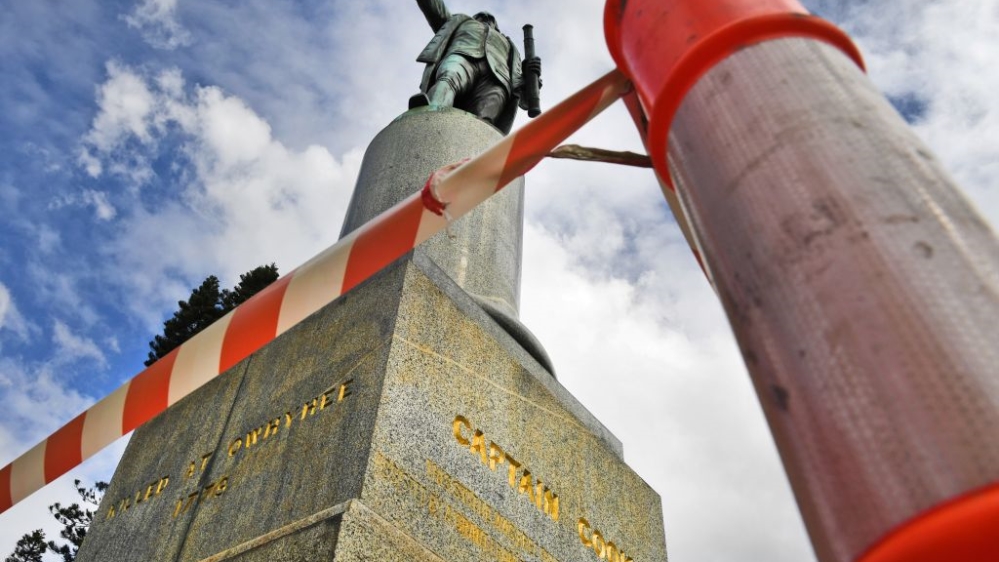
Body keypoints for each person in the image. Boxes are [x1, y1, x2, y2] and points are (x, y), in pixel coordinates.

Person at [410, 0, 542, 134]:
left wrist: (529, 76)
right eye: (481, 16)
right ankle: (430, 114)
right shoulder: (461, 21)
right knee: (448, 79)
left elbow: (521, 91)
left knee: (483, 122)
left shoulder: (509, 45)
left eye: (490, 18)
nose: (486, 19)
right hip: (462, 56)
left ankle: (476, 149)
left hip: (499, 79)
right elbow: (434, 7)